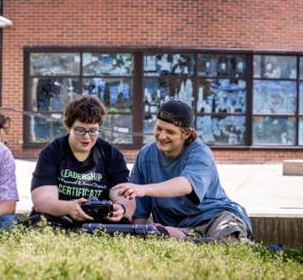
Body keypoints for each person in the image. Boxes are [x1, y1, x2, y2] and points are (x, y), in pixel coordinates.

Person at [113, 100, 253, 242]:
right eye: (159, 128)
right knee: (156, 234)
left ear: (186, 134)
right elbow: (140, 212)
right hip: (178, 228)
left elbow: (185, 185)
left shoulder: (200, 152)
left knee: (229, 242)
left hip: (215, 218)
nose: (161, 136)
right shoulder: (145, 155)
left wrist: (143, 189)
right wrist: (137, 241)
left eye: (170, 132)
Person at [27, 95, 135, 229]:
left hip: (99, 220)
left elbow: (126, 197)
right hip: (61, 216)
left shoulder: (111, 154)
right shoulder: (52, 152)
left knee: (125, 226)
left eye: (93, 131)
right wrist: (69, 207)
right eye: (80, 130)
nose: (87, 137)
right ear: (68, 127)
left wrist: (121, 208)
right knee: (38, 221)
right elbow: (42, 202)